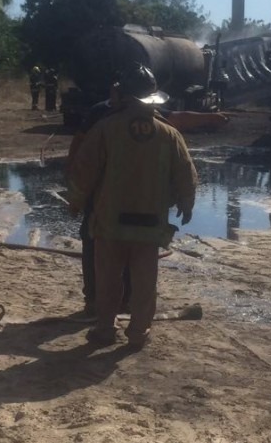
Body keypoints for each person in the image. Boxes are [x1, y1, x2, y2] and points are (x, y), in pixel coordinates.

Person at [68, 64, 198, 349]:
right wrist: (186, 203)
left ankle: (105, 329)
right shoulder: (169, 133)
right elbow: (185, 172)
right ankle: (138, 331)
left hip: (110, 222)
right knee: (144, 282)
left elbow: (83, 170)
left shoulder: (105, 129)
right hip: (150, 224)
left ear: (122, 94)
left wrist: (76, 202)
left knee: (108, 279)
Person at [67, 83, 131, 316]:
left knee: (127, 247)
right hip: (105, 194)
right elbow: (82, 150)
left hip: (122, 193)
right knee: (96, 243)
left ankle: (122, 300)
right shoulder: (100, 115)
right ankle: (96, 299)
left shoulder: (145, 114)